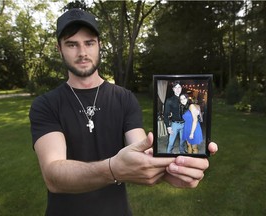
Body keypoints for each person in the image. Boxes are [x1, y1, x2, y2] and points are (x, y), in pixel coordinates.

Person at [29, 8, 218, 216]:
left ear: (99, 45)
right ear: (59, 49)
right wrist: (113, 169)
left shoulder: (124, 98)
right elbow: (53, 175)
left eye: (89, 42)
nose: (82, 52)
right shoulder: (46, 104)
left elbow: (140, 150)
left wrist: (169, 170)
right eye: (72, 44)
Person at [163, 81, 186, 153]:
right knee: (171, 142)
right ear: (173, 89)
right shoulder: (169, 100)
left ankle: (182, 151)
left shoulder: (185, 99)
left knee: (183, 140)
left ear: (181, 88)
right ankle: (168, 154)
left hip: (184, 124)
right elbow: (166, 114)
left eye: (179, 87)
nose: (177, 89)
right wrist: (168, 126)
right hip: (175, 124)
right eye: (175, 87)